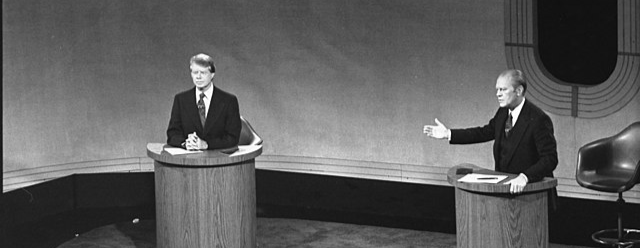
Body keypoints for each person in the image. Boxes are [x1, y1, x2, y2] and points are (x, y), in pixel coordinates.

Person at [423, 69, 558, 194]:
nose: (497, 94)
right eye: (497, 89)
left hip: (533, 194)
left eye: (503, 89)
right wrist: (449, 134)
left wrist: (525, 177)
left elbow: (550, 159)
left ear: (518, 90)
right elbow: (485, 132)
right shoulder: (503, 112)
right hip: (505, 190)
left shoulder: (538, 119)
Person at [167, 53, 241, 150]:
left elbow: (233, 138)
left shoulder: (229, 101)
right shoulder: (181, 100)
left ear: (212, 74)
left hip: (219, 160)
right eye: (195, 72)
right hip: (189, 159)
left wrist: (206, 144)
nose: (198, 77)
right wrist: (185, 143)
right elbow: (172, 134)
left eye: (203, 73)